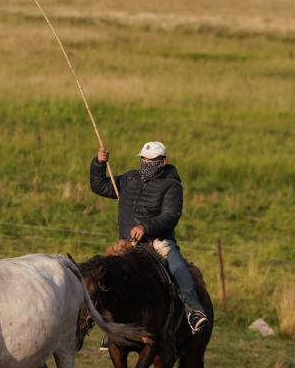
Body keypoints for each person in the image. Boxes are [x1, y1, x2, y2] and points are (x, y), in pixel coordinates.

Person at [90, 141, 210, 334]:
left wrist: (145, 227)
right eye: (143, 159)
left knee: (179, 268)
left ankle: (193, 311)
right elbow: (100, 186)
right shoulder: (130, 178)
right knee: (106, 275)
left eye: (151, 160)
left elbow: (170, 216)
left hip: (158, 242)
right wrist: (99, 163)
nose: (146, 163)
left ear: (163, 162)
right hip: (127, 245)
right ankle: (111, 324)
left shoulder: (172, 186)